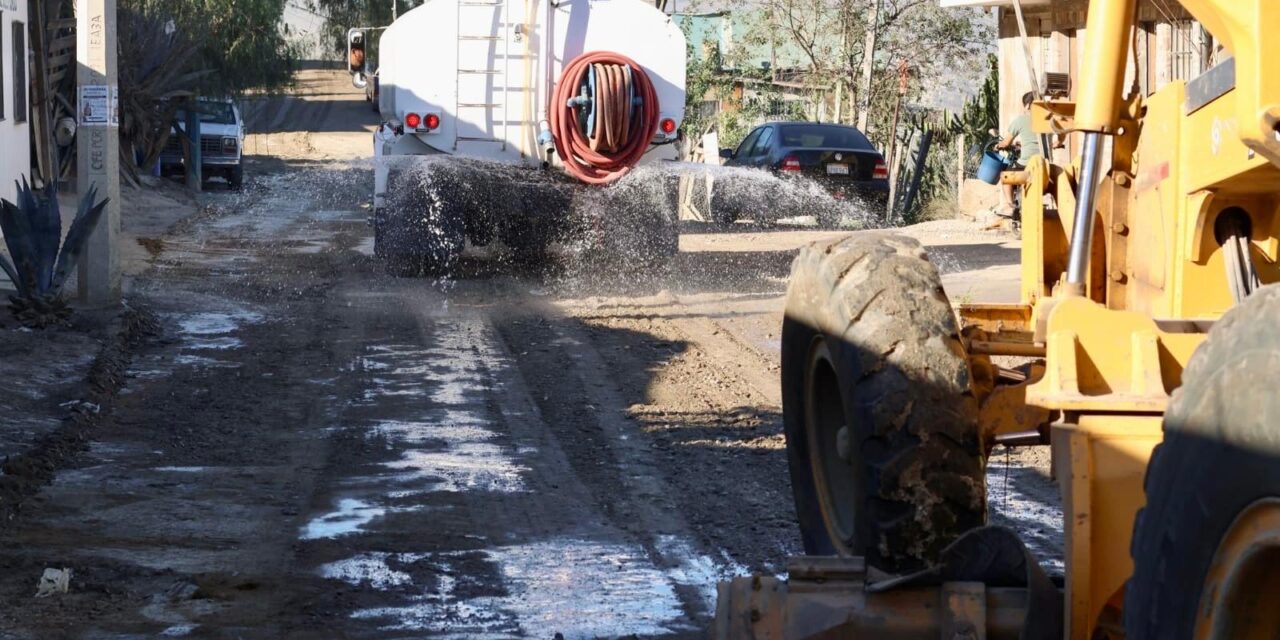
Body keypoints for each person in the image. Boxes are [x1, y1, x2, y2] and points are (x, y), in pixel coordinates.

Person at [995, 91, 1042, 216]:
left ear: (1027, 106)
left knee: (1005, 176)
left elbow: (1006, 142)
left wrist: (999, 146)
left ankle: (1010, 206)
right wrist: (1058, 143)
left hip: (1026, 164)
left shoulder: (1021, 120)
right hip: (1043, 164)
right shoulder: (1046, 119)